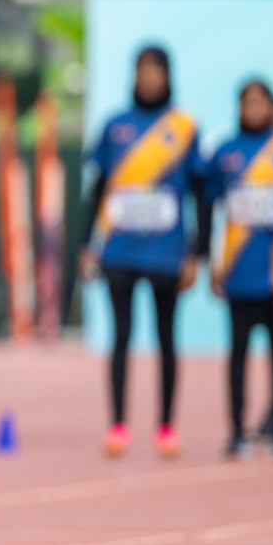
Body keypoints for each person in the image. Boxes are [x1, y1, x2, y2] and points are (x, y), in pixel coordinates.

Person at [78, 46, 208, 459]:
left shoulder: (183, 128)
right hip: (118, 250)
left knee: (167, 340)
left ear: (167, 76)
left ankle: (166, 427)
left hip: (167, 253)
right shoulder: (115, 126)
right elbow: (96, 189)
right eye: (142, 71)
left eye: (156, 72)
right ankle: (117, 425)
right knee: (121, 338)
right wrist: (86, 244)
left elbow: (201, 195)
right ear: (133, 75)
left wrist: (196, 254)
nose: (148, 79)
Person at [208, 80, 273, 459]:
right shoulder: (225, 152)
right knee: (238, 352)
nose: (254, 108)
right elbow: (211, 207)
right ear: (238, 105)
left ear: (271, 106)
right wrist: (213, 259)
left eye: (261, 101)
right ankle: (236, 430)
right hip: (239, 271)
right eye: (247, 101)